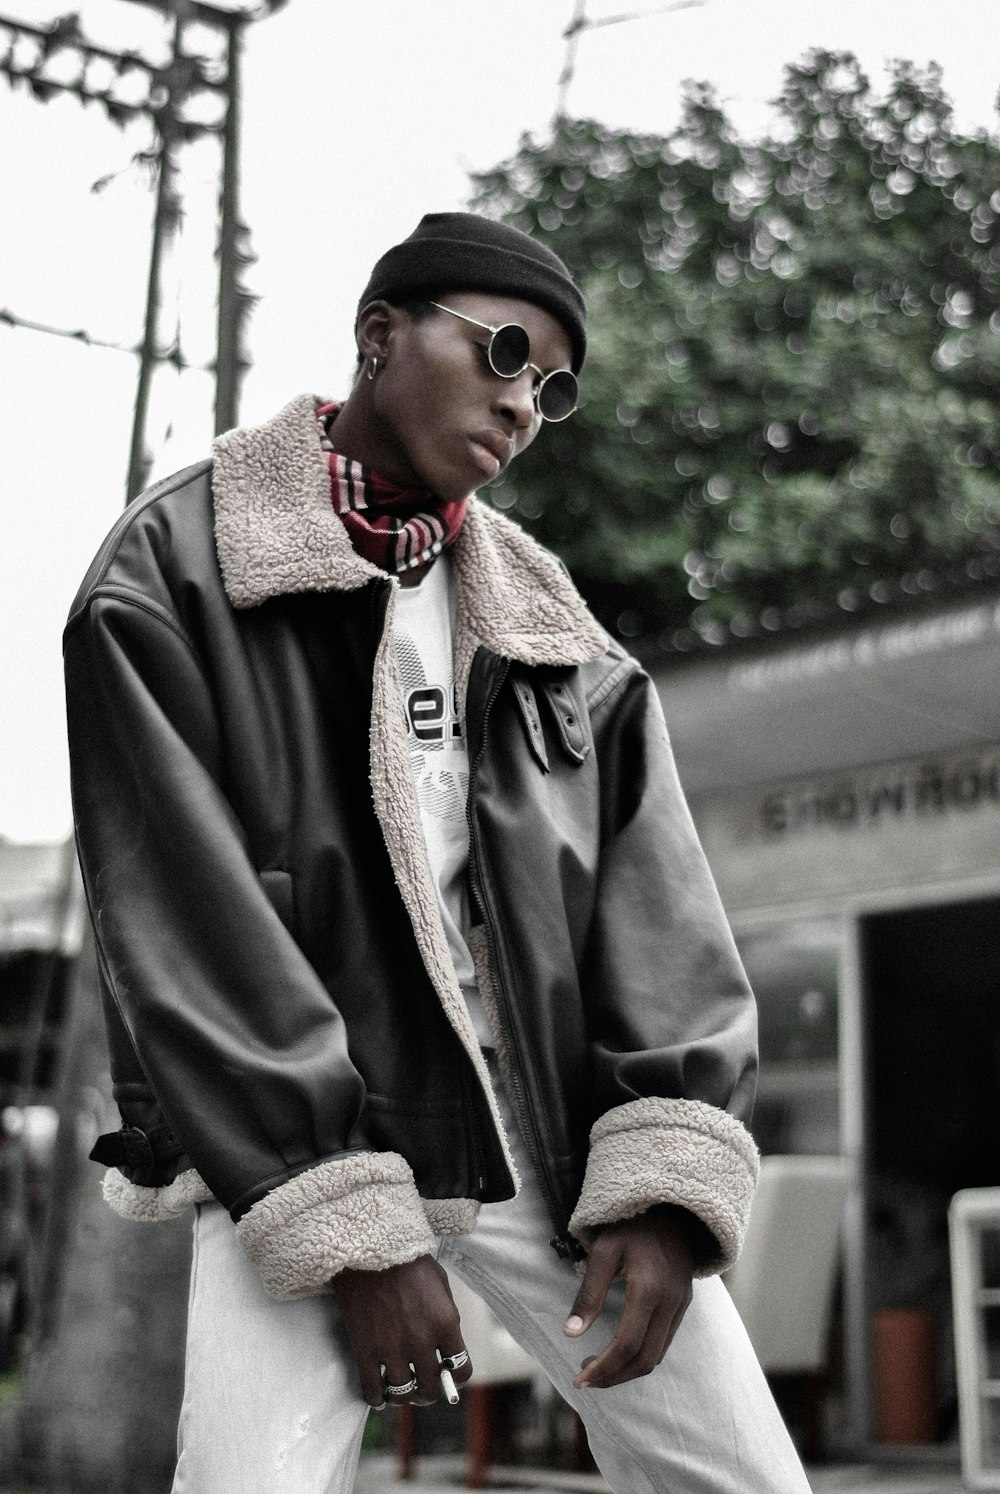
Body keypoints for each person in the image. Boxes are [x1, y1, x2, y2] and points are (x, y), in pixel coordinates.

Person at [65, 212, 811, 1492]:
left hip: (557, 1151)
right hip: (310, 1149)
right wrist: (347, 1223)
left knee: (742, 1479)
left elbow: (654, 906)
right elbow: (187, 925)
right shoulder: (172, 575)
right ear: (378, 337)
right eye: (504, 353)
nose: (524, 403)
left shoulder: (558, 634)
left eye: (551, 387)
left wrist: (661, 1180)